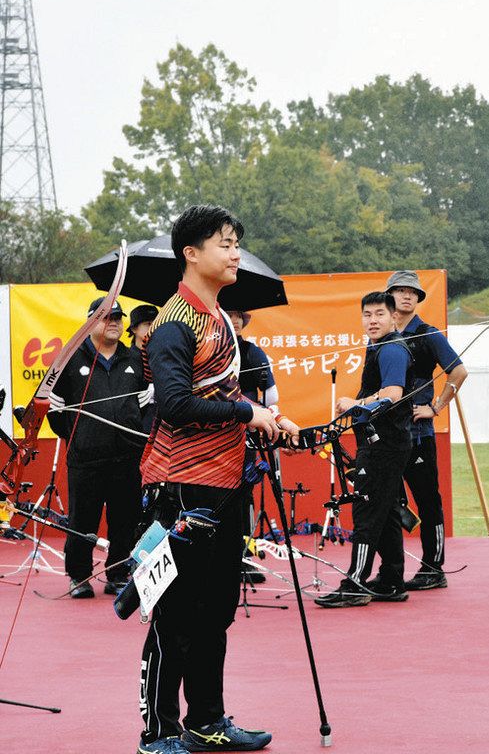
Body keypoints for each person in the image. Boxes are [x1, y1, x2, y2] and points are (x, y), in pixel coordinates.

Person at [137, 204, 300, 754]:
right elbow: (175, 405)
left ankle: (206, 721)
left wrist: (270, 417)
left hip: (226, 484)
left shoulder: (221, 319)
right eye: (224, 244)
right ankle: (158, 733)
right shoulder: (173, 324)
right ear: (191, 253)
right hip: (181, 488)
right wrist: (246, 413)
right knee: (175, 616)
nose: (235, 254)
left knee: (217, 610)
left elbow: (223, 394)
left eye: (236, 243)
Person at [314, 291, 414, 608]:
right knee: (386, 511)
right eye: (367, 314)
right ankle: (391, 580)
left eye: (379, 314)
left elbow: (392, 394)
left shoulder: (392, 349)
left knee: (367, 510)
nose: (372, 320)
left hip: (384, 445)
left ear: (393, 317)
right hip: (386, 442)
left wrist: (354, 404)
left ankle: (355, 583)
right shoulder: (379, 346)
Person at [46, 298, 145, 598]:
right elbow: (54, 409)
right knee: (82, 520)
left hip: (127, 458)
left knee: (125, 520)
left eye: (118, 318)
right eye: (106, 318)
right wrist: (80, 438)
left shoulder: (136, 359)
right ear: (91, 322)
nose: (114, 323)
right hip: (85, 460)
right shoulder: (70, 359)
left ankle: (118, 574)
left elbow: (146, 405)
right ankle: (79, 576)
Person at [384, 270, 467, 591]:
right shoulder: (381, 336)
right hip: (388, 435)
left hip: (418, 435)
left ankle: (434, 568)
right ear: (389, 296)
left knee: (428, 500)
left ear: (418, 299)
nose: (407, 295)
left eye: (413, 292)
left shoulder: (428, 334)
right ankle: (391, 572)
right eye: (400, 290)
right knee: (389, 503)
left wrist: (436, 406)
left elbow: (458, 372)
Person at [228, 309, 279, 586]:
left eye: (239, 315)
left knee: (244, 493)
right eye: (228, 313)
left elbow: (271, 396)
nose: (235, 320)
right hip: (214, 431)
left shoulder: (253, 352)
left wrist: (266, 415)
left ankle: (244, 556)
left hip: (246, 433)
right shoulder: (209, 349)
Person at [128, 304, 160, 435]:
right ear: (134, 328)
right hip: (135, 433)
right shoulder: (125, 359)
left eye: (157, 323)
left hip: (163, 432)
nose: (154, 328)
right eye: (148, 324)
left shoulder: (165, 357)